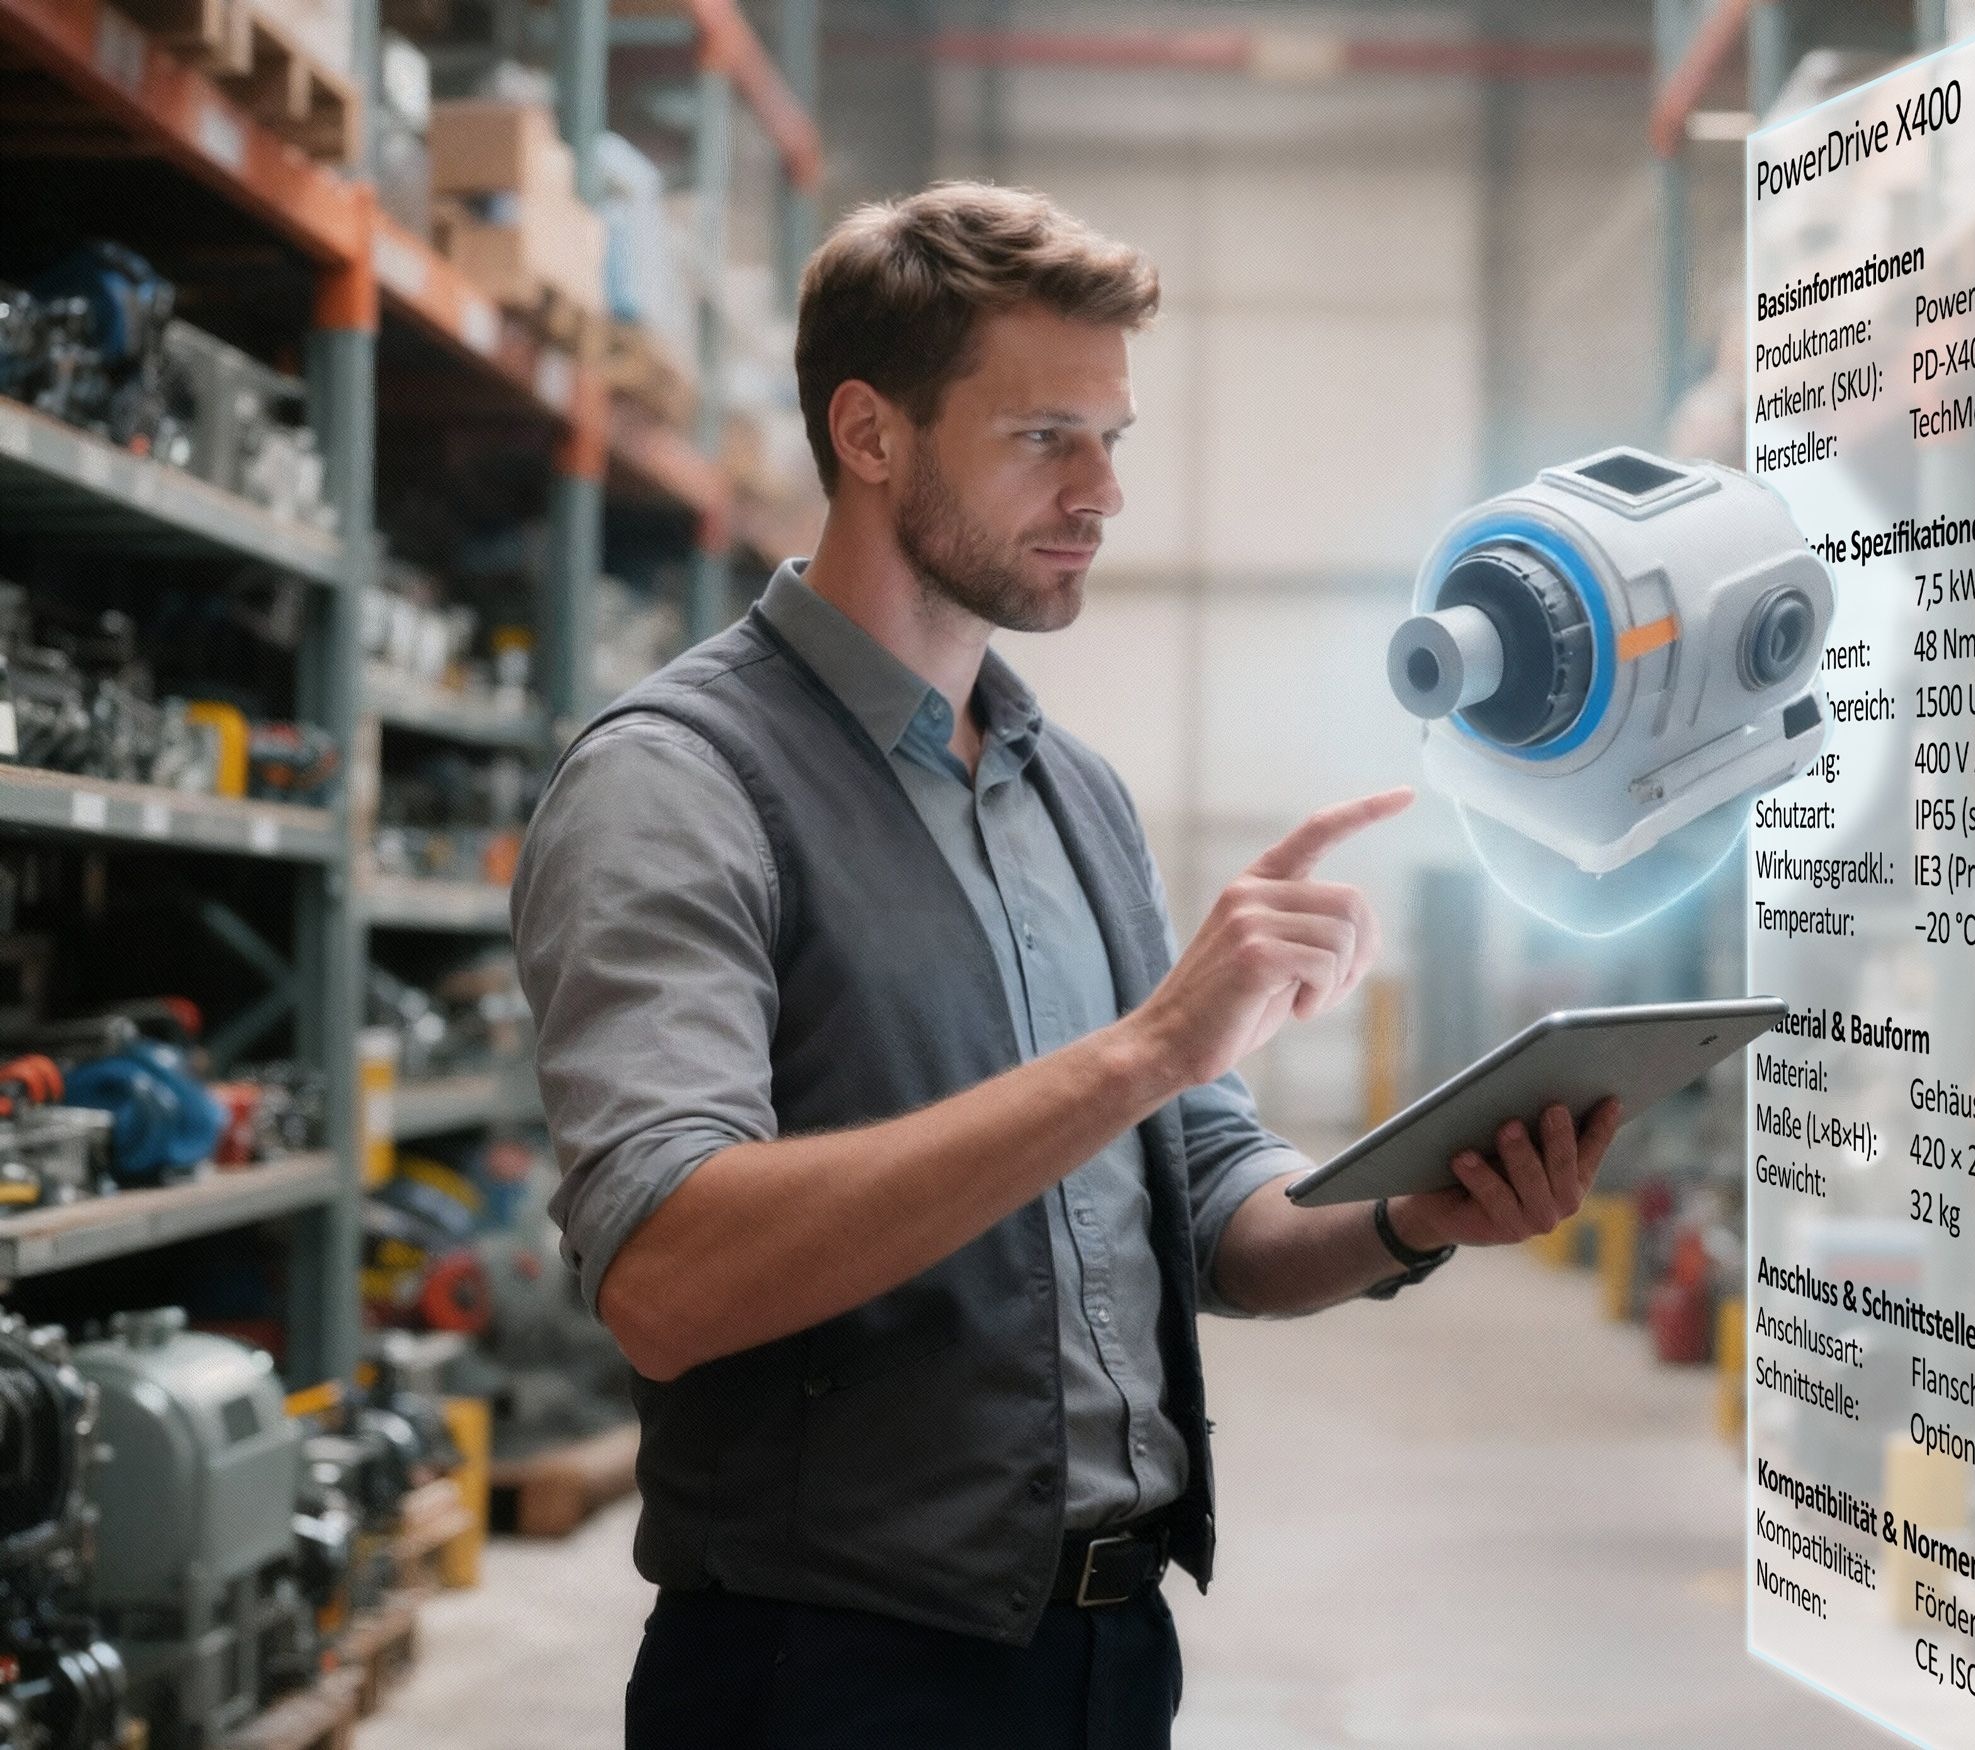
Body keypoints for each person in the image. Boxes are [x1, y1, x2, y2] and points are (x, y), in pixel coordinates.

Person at [509, 180, 1625, 1750]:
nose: (1102, 489)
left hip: (1108, 1653)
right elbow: (668, 1275)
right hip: (824, 1682)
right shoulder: (679, 782)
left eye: (1115, 438)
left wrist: (1407, 1208)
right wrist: (1145, 1049)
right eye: (1046, 437)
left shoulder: (1067, 787)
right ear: (871, 433)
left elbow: (1208, 1199)